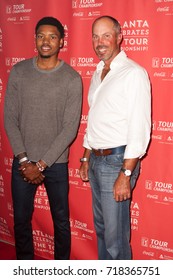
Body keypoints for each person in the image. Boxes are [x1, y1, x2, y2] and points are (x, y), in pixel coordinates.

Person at [4, 16, 82, 260]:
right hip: (23, 162)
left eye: (52, 36)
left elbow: (70, 128)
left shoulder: (72, 78)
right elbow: (9, 119)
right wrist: (26, 160)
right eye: (41, 36)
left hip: (55, 164)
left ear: (61, 42)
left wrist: (41, 164)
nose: (45, 41)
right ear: (35, 39)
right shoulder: (18, 72)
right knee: (21, 221)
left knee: (60, 221)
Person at [79, 15, 151, 260]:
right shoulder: (98, 73)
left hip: (118, 163)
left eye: (106, 35)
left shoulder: (133, 73)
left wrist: (126, 173)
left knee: (115, 238)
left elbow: (140, 128)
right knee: (102, 232)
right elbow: (94, 119)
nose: (100, 42)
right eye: (95, 36)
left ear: (120, 37)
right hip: (97, 160)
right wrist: (86, 157)